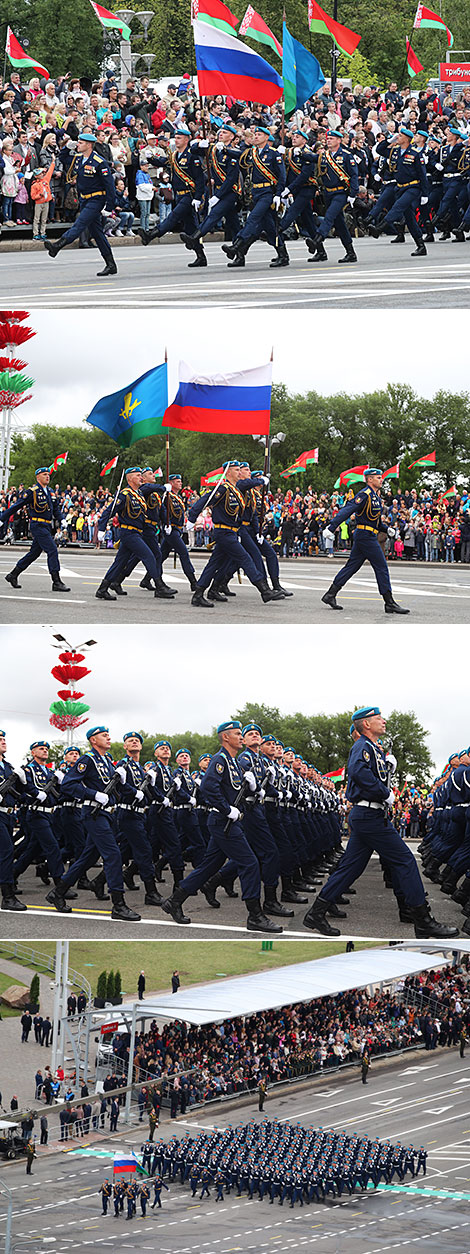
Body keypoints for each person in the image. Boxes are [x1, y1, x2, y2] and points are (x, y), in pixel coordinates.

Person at [303, 706, 459, 940]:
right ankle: (422, 920)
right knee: (405, 860)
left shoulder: (371, 748)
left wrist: (387, 768)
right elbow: (357, 773)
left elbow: (369, 773)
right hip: (369, 815)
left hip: (368, 815)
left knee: (350, 868)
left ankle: (316, 913)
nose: (383, 721)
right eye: (378, 718)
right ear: (366, 724)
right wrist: (384, 793)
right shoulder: (362, 746)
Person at [161, 720, 282, 934]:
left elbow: (231, 791)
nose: (241, 738)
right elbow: (209, 787)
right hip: (222, 821)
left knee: (208, 867)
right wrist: (227, 809)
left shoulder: (233, 762)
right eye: (237, 734)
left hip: (226, 822)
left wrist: (253, 789)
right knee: (250, 862)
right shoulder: (221, 759)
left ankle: (174, 901)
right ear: (226, 737)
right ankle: (255, 915)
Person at [321, 468, 410, 614]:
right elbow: (347, 510)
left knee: (351, 567)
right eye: (378, 477)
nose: (381, 480)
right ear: (369, 479)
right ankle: (389, 603)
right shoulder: (364, 494)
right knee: (381, 567)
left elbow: (373, 520)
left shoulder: (375, 496)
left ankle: (330, 594)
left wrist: (386, 528)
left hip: (367, 535)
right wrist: (332, 527)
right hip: (365, 536)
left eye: (381, 477)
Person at [43, 131, 118, 276]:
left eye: (81, 143)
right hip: (84, 199)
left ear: (89, 145)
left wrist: (109, 207)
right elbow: (63, 158)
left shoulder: (99, 161)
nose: (78, 144)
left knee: (80, 223)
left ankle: (57, 245)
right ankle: (111, 264)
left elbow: (110, 186)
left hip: (96, 200)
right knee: (98, 234)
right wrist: (67, 147)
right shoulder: (78, 159)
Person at [1, 466, 70, 594]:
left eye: (48, 474)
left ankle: (13, 574)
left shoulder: (50, 492)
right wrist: (2, 518)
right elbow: (17, 505)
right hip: (37, 525)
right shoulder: (32, 492)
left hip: (47, 526)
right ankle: (56, 581)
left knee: (34, 554)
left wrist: (62, 519)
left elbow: (55, 509)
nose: (47, 476)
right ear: (38, 477)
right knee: (52, 550)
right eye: (44, 474)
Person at [306, 129, 359, 264]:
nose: (328, 140)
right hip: (328, 193)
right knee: (339, 224)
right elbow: (312, 158)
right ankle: (350, 252)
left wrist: (353, 193)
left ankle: (317, 239)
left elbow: (353, 175)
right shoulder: (325, 156)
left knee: (329, 216)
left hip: (341, 192)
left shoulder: (346, 155)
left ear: (339, 140)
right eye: (328, 139)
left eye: (332, 139)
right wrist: (298, 153)